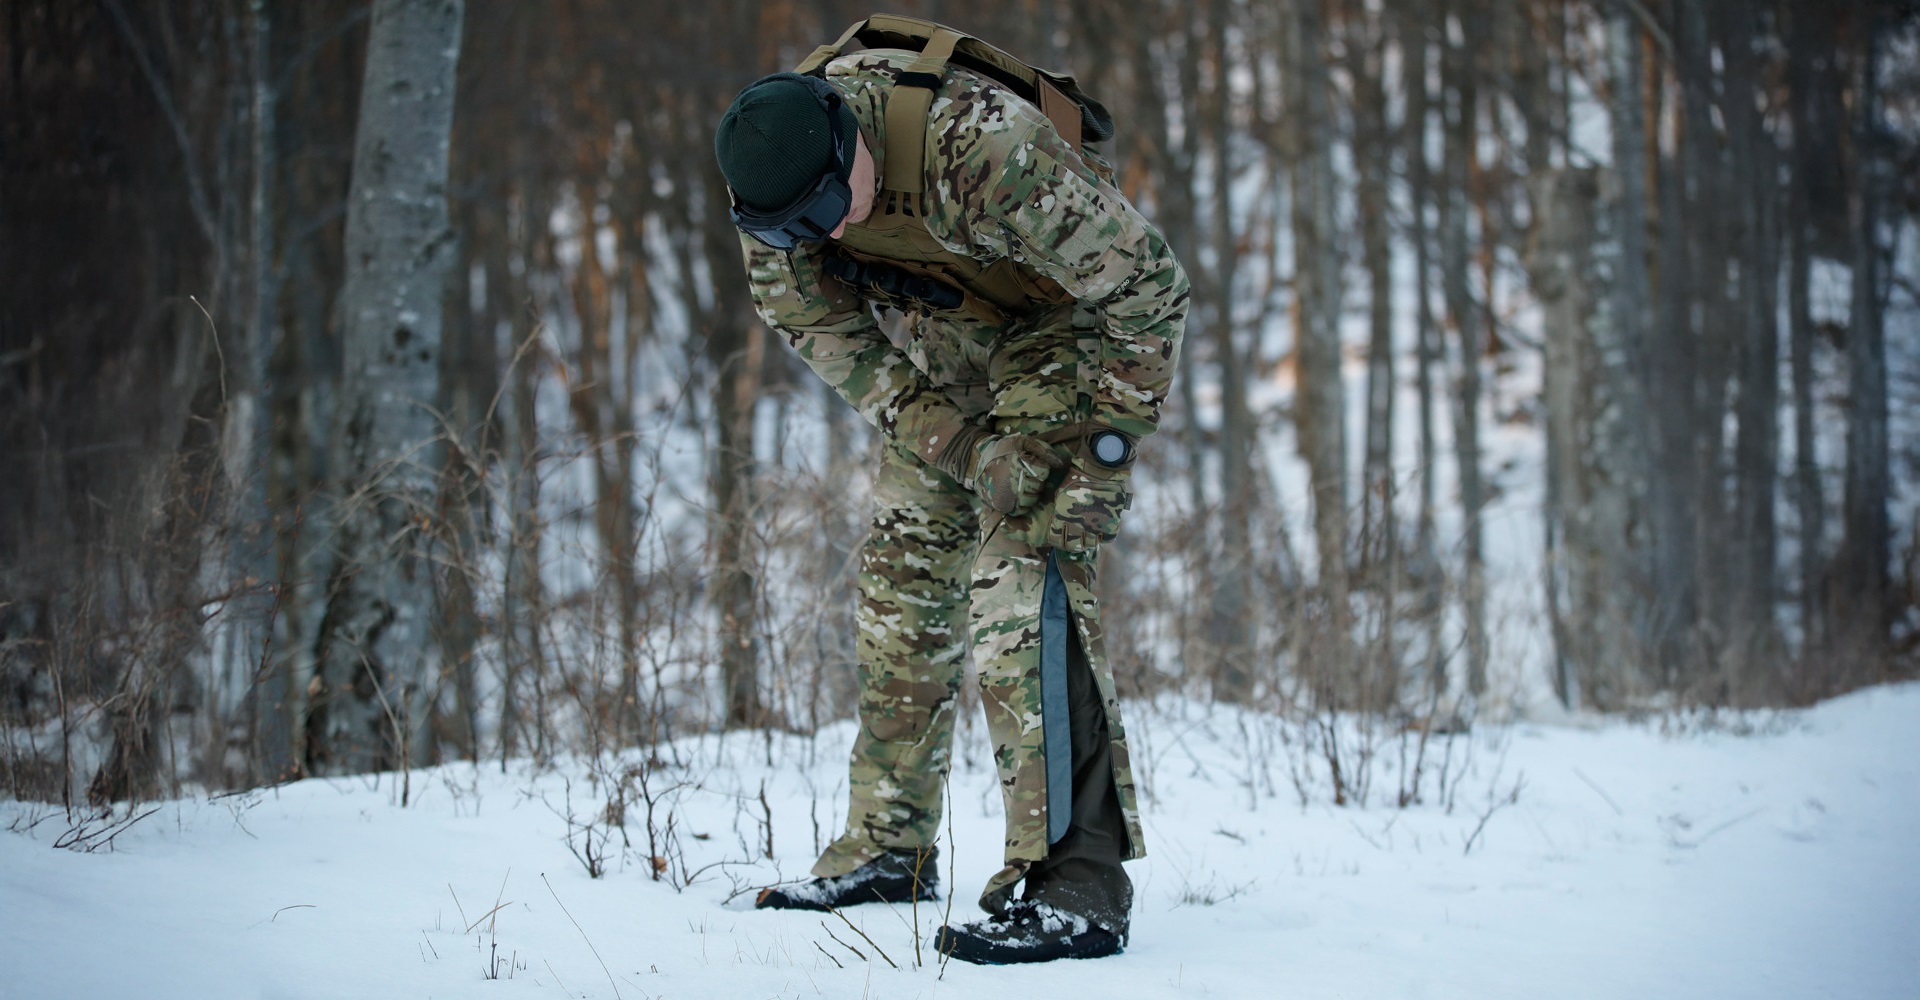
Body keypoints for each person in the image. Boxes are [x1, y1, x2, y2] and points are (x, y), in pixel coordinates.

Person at [713, 15, 1187, 965]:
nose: (823, 234)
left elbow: (1148, 288)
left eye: (824, 211)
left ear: (851, 139)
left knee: (1022, 581)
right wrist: (966, 449)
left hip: (1067, 320)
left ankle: (1077, 883)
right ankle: (890, 847)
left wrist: (1100, 455)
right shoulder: (774, 194)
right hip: (946, 340)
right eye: (793, 230)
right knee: (902, 579)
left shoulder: (979, 147)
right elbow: (838, 346)